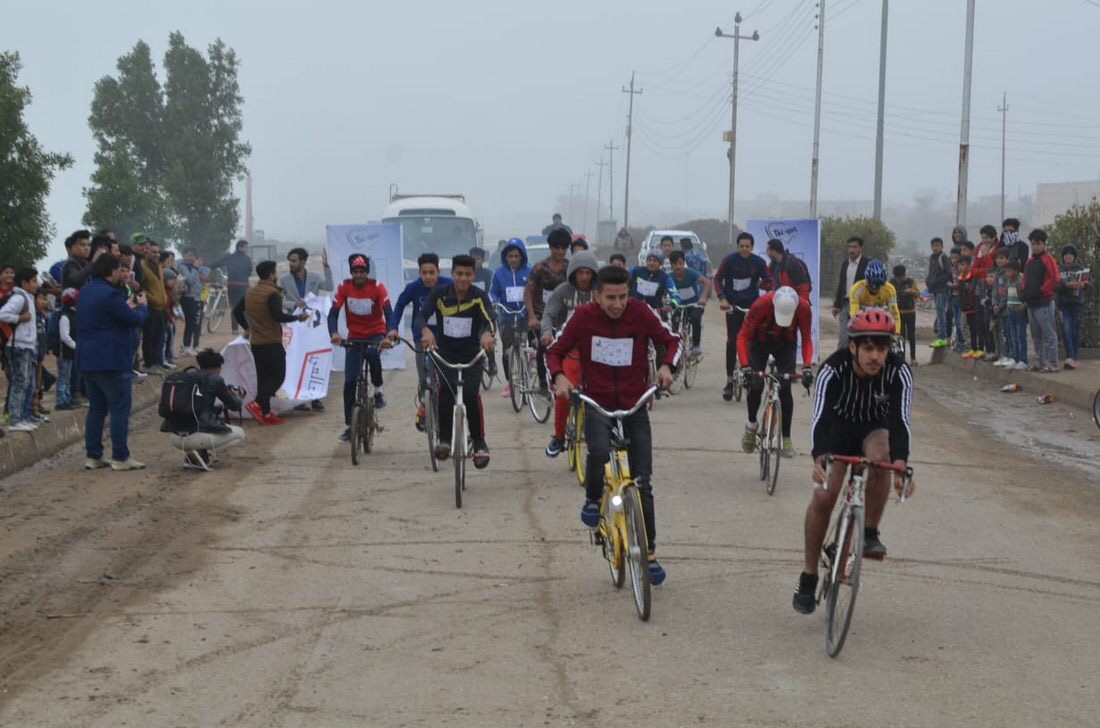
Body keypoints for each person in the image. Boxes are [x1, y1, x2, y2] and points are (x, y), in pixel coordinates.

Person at [547, 264, 681, 586]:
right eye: (610, 297)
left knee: (643, 482)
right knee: (598, 452)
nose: (617, 304)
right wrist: (560, 377)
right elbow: (554, 352)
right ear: (596, 296)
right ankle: (593, 499)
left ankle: (648, 555)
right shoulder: (582, 318)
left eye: (622, 296)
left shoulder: (641, 313)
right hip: (598, 403)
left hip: (635, 404)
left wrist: (666, 367)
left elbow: (672, 341)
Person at [793, 308, 913, 614]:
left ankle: (869, 533)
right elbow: (819, 418)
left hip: (874, 428)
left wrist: (901, 464)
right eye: (868, 348)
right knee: (825, 496)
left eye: (882, 348)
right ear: (853, 347)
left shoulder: (898, 371)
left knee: (882, 459)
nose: (875, 356)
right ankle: (808, 575)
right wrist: (819, 456)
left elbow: (900, 421)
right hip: (837, 430)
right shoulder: (833, 369)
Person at [414, 254, 496, 469]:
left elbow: (490, 319)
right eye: (459, 274)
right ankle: (443, 441)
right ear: (452, 274)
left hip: (471, 355)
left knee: (470, 395)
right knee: (445, 394)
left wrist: (487, 334)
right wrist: (426, 332)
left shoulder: (479, 296)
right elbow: (421, 316)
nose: (463, 279)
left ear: (473, 275)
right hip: (446, 354)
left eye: (467, 274)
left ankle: (479, 442)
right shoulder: (440, 295)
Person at [76, 254, 149, 470]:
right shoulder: (110, 294)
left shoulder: (86, 291)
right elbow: (134, 320)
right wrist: (142, 306)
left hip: (87, 359)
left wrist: (124, 307)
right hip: (111, 359)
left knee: (97, 409)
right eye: (120, 270)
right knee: (119, 408)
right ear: (112, 271)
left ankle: (93, 455)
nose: (123, 274)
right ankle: (120, 456)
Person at [737, 286, 814, 458]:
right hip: (759, 342)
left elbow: (807, 338)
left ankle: (785, 437)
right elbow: (742, 336)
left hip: (785, 344)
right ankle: (751, 424)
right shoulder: (761, 305)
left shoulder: (803, 308)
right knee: (756, 383)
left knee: (785, 387)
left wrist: (807, 367)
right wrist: (745, 366)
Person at [232, 260, 311, 424]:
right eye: (275, 272)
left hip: (257, 343)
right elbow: (278, 316)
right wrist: (298, 317)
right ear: (271, 275)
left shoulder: (250, 292)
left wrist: (247, 328)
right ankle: (257, 404)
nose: (276, 275)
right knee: (277, 376)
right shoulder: (271, 293)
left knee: (263, 378)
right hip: (271, 341)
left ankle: (266, 413)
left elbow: (237, 311)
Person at [329, 254, 393, 441]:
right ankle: (351, 425)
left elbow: (388, 312)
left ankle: (379, 391)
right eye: (355, 271)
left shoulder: (377, 287)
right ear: (351, 273)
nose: (359, 275)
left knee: (373, 355)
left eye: (362, 271)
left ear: (367, 272)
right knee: (349, 382)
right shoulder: (344, 287)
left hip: (375, 334)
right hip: (355, 337)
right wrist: (334, 333)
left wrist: (389, 334)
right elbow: (333, 314)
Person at [540, 250, 598, 457]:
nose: (584, 277)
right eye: (580, 272)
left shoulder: (599, 292)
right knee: (563, 393)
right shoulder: (562, 291)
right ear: (573, 273)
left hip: (595, 349)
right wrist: (547, 332)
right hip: (567, 348)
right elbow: (548, 314)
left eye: (588, 272)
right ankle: (558, 436)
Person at [388, 253, 451, 430]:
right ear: (419, 273)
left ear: (438, 272)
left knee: (448, 381)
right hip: (421, 340)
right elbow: (399, 305)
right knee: (425, 380)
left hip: (445, 340)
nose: (428, 276)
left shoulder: (448, 285)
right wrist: (393, 327)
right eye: (424, 272)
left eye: (432, 272)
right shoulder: (413, 288)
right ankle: (425, 404)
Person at [159, 348, 247, 469]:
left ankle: (193, 455)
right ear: (217, 367)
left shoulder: (186, 377)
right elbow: (234, 405)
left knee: (199, 426)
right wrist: (238, 396)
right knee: (240, 434)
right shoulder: (215, 379)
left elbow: (198, 406)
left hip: (174, 437)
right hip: (197, 437)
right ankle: (200, 452)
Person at [714, 232, 771, 400]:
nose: (744, 249)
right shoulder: (729, 261)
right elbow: (718, 280)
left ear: (752, 247)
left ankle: (752, 373)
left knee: (754, 340)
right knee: (732, 340)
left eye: (748, 246)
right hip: (733, 305)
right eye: (741, 246)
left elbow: (770, 280)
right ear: (737, 246)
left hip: (752, 307)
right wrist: (722, 298)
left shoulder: (759, 262)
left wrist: (766, 288)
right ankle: (730, 380)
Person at [525, 228, 570, 394]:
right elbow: (528, 291)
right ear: (550, 247)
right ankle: (543, 381)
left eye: (563, 248)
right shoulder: (539, 268)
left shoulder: (570, 268)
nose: (560, 251)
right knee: (545, 345)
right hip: (541, 314)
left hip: (564, 315)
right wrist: (531, 316)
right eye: (556, 247)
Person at [488, 238, 530, 398]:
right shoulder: (498, 274)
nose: (513, 259)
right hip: (505, 316)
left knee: (528, 343)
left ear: (522, 257)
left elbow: (533, 291)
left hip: (524, 315)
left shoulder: (529, 272)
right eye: (510, 256)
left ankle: (528, 370)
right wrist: (495, 303)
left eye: (516, 256)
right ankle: (510, 382)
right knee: (507, 349)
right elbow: (493, 292)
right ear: (505, 257)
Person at [0, 268, 40, 432]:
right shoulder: (19, 298)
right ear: (24, 283)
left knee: (27, 383)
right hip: (19, 346)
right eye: (33, 281)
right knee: (20, 382)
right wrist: (19, 318)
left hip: (27, 346)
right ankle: (15, 419)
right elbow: (2, 314)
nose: (36, 284)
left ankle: (22, 417)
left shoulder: (28, 298)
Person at [1022, 229, 1061, 372]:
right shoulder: (1030, 261)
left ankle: (1053, 363)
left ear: (1044, 244)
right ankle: (1041, 362)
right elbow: (1025, 279)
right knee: (1036, 335)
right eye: (1033, 244)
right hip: (1031, 303)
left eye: (1038, 244)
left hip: (1044, 302)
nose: (1035, 246)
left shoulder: (1048, 259)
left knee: (1049, 333)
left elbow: (1054, 278)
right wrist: (1025, 293)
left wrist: (1041, 291)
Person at [668, 250, 711, 355]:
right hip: (678, 305)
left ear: (683, 263)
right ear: (671, 265)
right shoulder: (669, 277)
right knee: (675, 321)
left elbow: (707, 282)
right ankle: (675, 346)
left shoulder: (691, 272)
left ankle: (696, 345)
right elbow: (664, 290)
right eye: (675, 264)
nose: (678, 267)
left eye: (680, 263)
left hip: (694, 304)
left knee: (695, 318)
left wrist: (703, 297)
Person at [832, 236, 868, 349]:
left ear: (861, 248)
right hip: (845, 304)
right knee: (843, 337)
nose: (852, 250)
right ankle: (841, 362)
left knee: (860, 335)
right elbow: (841, 285)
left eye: (855, 247)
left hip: (861, 305)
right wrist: (837, 305)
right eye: (849, 247)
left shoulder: (867, 264)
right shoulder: (845, 264)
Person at [1056, 244, 1089, 370]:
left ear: (1074, 256)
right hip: (1064, 304)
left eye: (1071, 254)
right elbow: (1055, 286)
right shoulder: (1058, 269)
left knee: (1075, 331)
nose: (1068, 256)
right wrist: (1066, 285)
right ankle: (1070, 357)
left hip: (1078, 304)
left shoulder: (1080, 269)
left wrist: (1082, 285)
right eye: (1066, 254)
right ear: (1063, 256)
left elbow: (1088, 284)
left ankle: (1074, 357)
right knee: (1066, 329)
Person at [848, 259, 901, 334]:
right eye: (872, 285)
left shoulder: (890, 289)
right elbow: (854, 314)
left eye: (879, 285)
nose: (875, 288)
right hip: (863, 320)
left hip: (882, 321)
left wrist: (897, 332)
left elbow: (894, 313)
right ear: (866, 279)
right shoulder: (856, 289)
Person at [139, 240, 168, 374]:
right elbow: (141, 287)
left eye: (158, 252)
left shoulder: (159, 267)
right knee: (149, 337)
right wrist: (152, 298)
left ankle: (157, 363)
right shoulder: (142, 267)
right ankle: (149, 364)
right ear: (147, 252)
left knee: (159, 337)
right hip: (150, 306)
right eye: (153, 252)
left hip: (161, 307)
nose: (157, 254)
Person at [214, 239, 253, 334]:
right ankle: (247, 328)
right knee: (246, 307)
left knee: (234, 307)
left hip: (232, 285)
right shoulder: (247, 259)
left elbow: (217, 264)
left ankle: (234, 329)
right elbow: (249, 272)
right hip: (243, 285)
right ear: (240, 247)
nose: (247, 249)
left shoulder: (230, 258)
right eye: (245, 247)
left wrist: (211, 268)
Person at [280, 247, 334, 312]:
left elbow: (329, 287)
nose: (290, 264)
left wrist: (326, 266)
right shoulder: (284, 280)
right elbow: (279, 302)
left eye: (293, 261)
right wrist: (294, 304)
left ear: (303, 262)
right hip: (294, 319)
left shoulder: (314, 277)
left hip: (312, 318)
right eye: (290, 261)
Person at [175, 248, 205, 356]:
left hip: (196, 297)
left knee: (195, 322)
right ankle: (186, 346)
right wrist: (195, 269)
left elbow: (198, 281)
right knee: (190, 322)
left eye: (193, 256)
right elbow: (189, 280)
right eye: (189, 255)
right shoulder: (183, 266)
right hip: (188, 297)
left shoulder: (194, 267)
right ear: (184, 255)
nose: (191, 258)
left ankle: (192, 345)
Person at [1000, 260, 1029, 371]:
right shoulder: (1009, 281)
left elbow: (1024, 295)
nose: (1007, 273)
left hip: (1019, 312)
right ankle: (1015, 358)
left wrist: (1024, 305)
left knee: (1020, 336)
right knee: (1012, 335)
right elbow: (1006, 296)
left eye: (1009, 271)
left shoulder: (1020, 281)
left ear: (1016, 271)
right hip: (1010, 311)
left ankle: (1023, 360)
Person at [54, 288, 80, 410]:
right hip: (64, 351)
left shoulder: (74, 315)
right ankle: (61, 401)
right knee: (63, 376)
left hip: (70, 351)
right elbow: (64, 336)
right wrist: (77, 346)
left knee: (67, 377)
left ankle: (67, 398)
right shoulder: (65, 316)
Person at [890, 265, 920, 365]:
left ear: (904, 274)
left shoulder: (911, 281)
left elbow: (917, 294)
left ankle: (913, 358)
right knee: (900, 336)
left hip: (910, 312)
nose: (899, 279)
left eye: (901, 277)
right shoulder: (892, 282)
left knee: (911, 336)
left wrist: (912, 291)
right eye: (898, 277)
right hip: (898, 313)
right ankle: (901, 358)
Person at [925, 237, 951, 348]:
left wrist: (936, 281)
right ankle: (941, 337)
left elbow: (947, 274)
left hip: (942, 290)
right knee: (939, 313)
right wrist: (928, 282)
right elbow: (931, 273)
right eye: (933, 246)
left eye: (937, 246)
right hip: (935, 290)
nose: (935, 248)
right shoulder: (932, 258)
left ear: (942, 247)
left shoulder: (943, 257)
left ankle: (942, 338)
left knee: (941, 314)